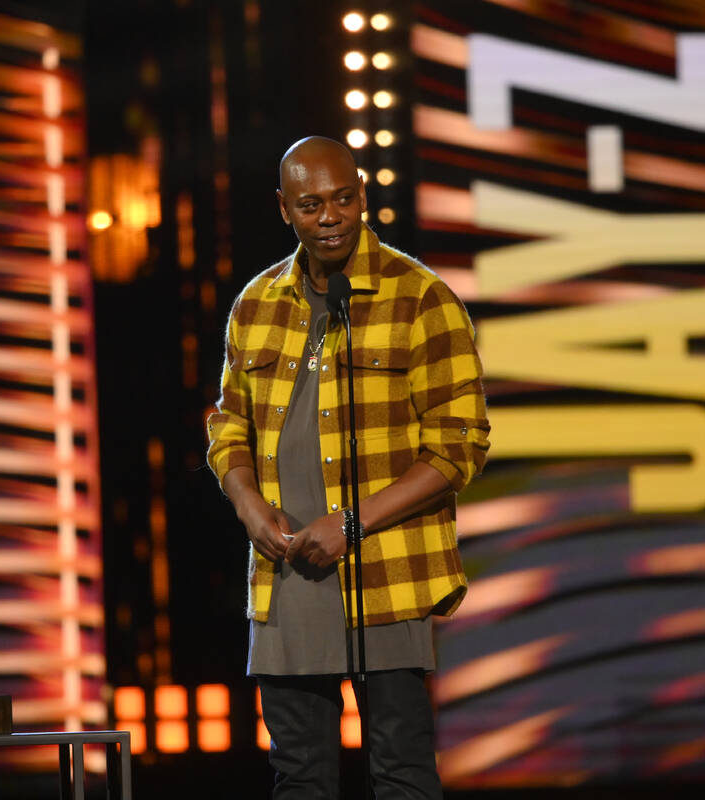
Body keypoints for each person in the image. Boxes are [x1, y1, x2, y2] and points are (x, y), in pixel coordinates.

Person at [206, 136, 489, 799]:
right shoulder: (256, 303)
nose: (329, 216)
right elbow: (228, 424)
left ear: (362, 197)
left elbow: (459, 444)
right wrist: (249, 507)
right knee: (299, 778)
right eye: (311, 204)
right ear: (285, 209)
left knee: (401, 776)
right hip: (288, 575)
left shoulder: (421, 297)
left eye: (342, 199)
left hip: (386, 575)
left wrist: (352, 525)